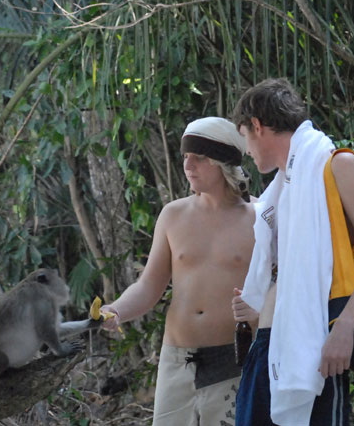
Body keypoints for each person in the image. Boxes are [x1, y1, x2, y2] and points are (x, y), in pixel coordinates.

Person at [230, 78, 354, 426]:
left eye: (245, 136)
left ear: (257, 126)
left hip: (317, 346)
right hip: (272, 345)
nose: (247, 150)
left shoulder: (336, 166)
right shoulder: (284, 184)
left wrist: (344, 328)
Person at [99, 117, 256, 426]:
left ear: (221, 161)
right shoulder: (173, 215)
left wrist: (259, 311)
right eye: (185, 156)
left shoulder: (259, 218)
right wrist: (116, 310)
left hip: (233, 360)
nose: (188, 165)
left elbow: (279, 288)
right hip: (176, 360)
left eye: (198, 157)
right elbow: (149, 286)